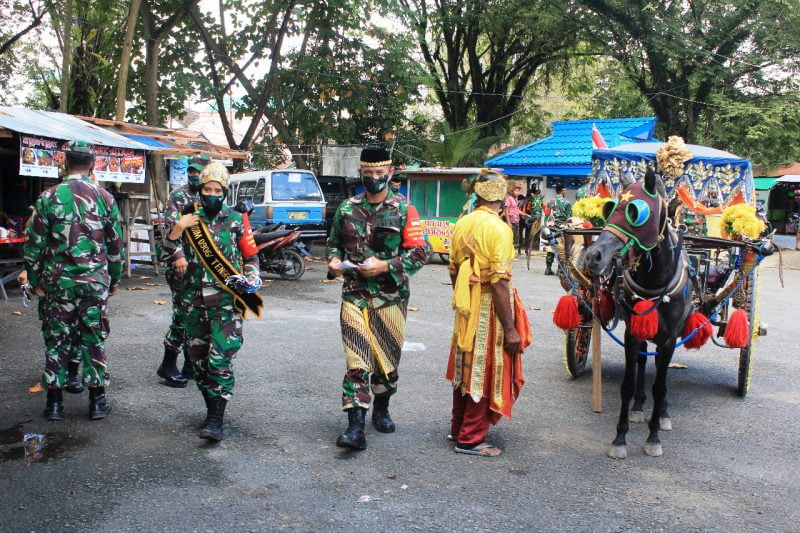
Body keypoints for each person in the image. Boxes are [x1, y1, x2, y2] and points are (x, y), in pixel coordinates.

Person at [326, 146, 427, 451]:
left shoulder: (404, 210)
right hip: (354, 296)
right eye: (367, 173)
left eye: (378, 173)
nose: (373, 178)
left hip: (390, 298)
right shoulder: (346, 208)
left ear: (390, 173)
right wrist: (333, 263)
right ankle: (355, 428)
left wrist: (385, 266)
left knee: (386, 364)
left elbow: (420, 253)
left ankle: (381, 408)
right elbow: (333, 246)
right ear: (361, 173)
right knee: (357, 360)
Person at [23, 141, 124, 421]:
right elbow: (115, 246)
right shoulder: (105, 198)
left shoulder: (48, 198)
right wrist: (113, 280)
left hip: (58, 283)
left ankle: (54, 404)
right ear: (92, 164)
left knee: (57, 339)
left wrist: (35, 280)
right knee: (93, 339)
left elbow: (33, 246)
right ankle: (97, 401)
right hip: (94, 282)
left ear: (65, 163)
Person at [161, 162, 262, 442]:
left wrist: (251, 276)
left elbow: (251, 256)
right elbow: (165, 253)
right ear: (200, 191)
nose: (212, 194)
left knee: (220, 360)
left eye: (218, 190)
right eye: (207, 189)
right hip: (192, 302)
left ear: (225, 192)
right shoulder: (187, 218)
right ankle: (210, 408)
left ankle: (216, 418)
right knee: (199, 363)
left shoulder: (235, 219)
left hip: (226, 304)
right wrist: (177, 228)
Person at [447, 169, 530, 457]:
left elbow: (454, 271)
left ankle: (459, 427)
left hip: (465, 304)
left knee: (465, 365)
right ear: (504, 196)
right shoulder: (499, 229)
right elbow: (499, 282)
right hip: (487, 308)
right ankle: (470, 438)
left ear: (478, 194)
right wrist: (510, 328)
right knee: (484, 367)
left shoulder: (462, 223)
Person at [157, 161, 204, 387]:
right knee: (183, 314)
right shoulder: (178, 196)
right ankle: (168, 364)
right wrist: (177, 255)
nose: (195, 176)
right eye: (191, 172)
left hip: (202, 267)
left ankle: (189, 364)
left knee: (196, 315)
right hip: (182, 267)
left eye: (199, 172)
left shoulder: (211, 195)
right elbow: (170, 229)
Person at [544, 183, 572, 275]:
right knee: (562, 248)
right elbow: (569, 218)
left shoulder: (550, 202)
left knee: (550, 247)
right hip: (562, 229)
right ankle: (560, 269)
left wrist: (545, 225)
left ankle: (548, 268)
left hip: (551, 227)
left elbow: (547, 215)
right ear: (563, 191)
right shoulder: (567, 202)